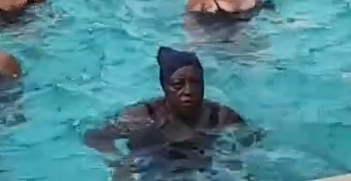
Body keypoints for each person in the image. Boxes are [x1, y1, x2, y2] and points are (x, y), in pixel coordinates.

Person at [84, 48, 244, 153]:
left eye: (195, 83)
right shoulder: (143, 116)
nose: (188, 91)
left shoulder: (220, 117)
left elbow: (248, 148)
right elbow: (95, 137)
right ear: (164, 86)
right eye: (178, 85)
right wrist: (116, 162)